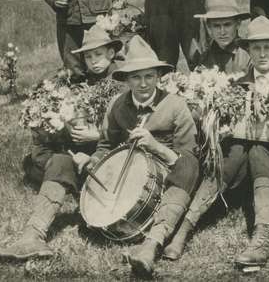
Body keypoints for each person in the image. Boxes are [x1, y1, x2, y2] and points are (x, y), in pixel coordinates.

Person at [163, 17, 269, 266]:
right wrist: (221, 127)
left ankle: (263, 235)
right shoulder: (238, 84)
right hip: (236, 159)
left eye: (268, 48)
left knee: (259, 151)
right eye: (256, 48)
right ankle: (184, 229)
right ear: (249, 51)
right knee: (235, 149)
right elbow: (218, 122)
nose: (262, 54)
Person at [0, 27, 123, 263]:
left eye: (98, 54)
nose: (93, 61)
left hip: (116, 163)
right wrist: (64, 125)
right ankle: (32, 236)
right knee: (59, 161)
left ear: (111, 53)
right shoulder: (83, 83)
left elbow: (135, 132)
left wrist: (97, 135)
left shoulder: (124, 83)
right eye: (88, 57)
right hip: (85, 160)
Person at [85, 35, 200, 279]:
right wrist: (95, 162)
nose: (143, 83)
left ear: (159, 77)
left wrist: (155, 146)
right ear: (126, 79)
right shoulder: (117, 105)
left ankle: (151, 245)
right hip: (130, 175)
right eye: (136, 77)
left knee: (190, 165)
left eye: (149, 76)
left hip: (170, 172)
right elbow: (105, 145)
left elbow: (187, 156)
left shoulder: (175, 105)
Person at [190, 0, 251, 73]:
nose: (222, 32)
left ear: (238, 24)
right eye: (216, 26)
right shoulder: (205, 58)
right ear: (209, 27)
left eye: (227, 25)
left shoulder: (248, 56)